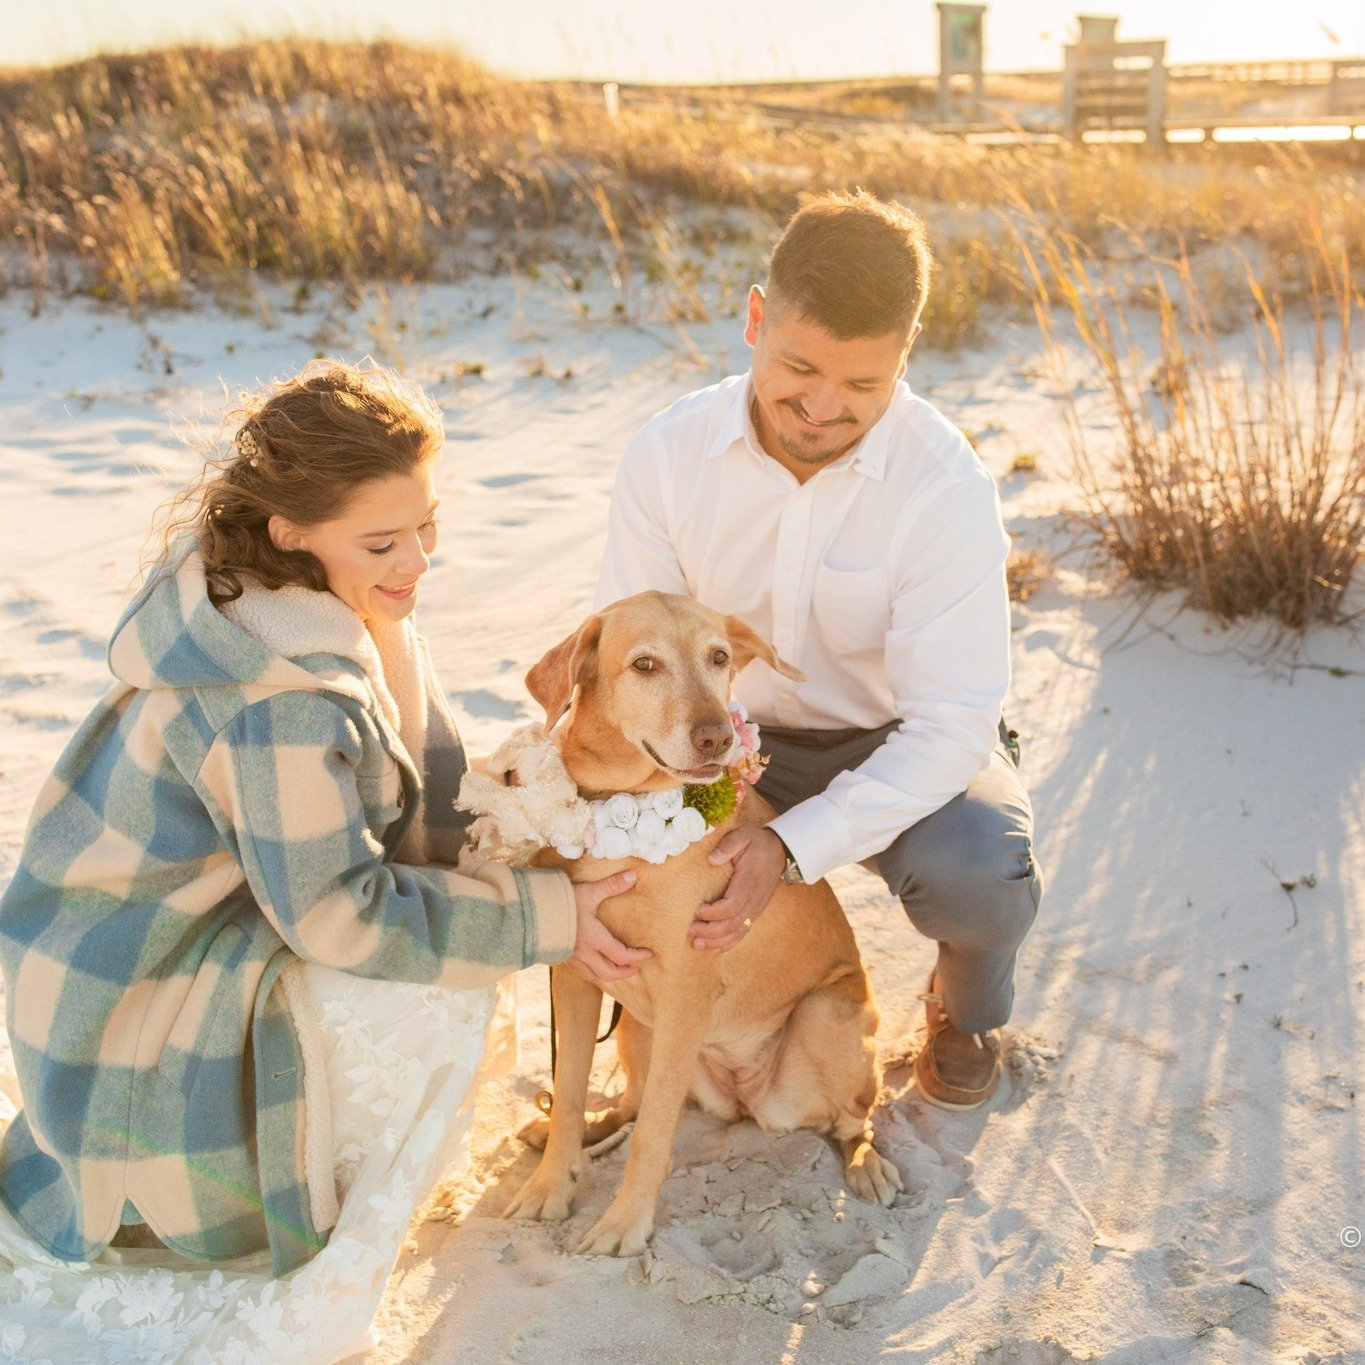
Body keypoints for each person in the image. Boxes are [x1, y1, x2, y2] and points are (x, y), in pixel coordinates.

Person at [0, 360, 644, 1360]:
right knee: (440, 987)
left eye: (428, 527)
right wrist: (545, 918)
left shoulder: (295, 596)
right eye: (383, 542)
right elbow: (339, 918)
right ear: (292, 530)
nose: (416, 563)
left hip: (147, 944)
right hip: (127, 1007)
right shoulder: (283, 697)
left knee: (459, 934)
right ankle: (269, 1197)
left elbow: (401, 799)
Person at [595, 190, 1043, 1111]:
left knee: (982, 870)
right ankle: (637, 1014)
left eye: (862, 386)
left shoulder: (943, 485)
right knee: (616, 838)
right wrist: (705, 795)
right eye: (798, 366)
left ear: (904, 360)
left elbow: (951, 723)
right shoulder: (668, 454)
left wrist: (784, 845)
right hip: (714, 734)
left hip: (895, 736)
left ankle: (964, 1009)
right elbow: (628, 662)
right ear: (756, 318)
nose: (822, 406)